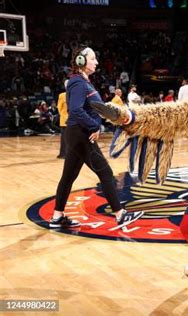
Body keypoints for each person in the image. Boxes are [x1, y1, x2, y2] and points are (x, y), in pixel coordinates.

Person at [50, 46, 144, 228]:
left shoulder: (83, 82)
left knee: (68, 177)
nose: (96, 62)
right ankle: (120, 214)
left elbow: (91, 108)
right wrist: (95, 125)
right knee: (106, 173)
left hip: (78, 134)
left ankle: (57, 216)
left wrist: (98, 124)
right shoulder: (78, 83)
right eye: (93, 58)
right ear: (81, 61)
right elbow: (76, 111)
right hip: (80, 134)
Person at [57, 80, 69, 158]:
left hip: (74, 120)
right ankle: (63, 154)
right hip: (65, 120)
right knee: (64, 138)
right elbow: (59, 107)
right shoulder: (62, 95)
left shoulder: (75, 95)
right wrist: (64, 116)